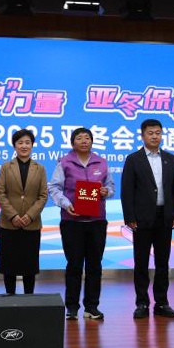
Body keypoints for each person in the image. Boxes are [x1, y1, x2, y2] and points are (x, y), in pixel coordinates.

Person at [120, 118, 174, 319]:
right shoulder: (134, 159)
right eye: (150, 133)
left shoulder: (170, 158)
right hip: (141, 218)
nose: (155, 136)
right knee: (141, 262)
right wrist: (129, 217)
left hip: (165, 217)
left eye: (158, 133)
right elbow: (127, 191)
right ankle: (142, 303)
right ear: (142, 135)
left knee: (163, 262)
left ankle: (162, 302)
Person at [48, 127, 114, 321]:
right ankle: (72, 307)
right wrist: (66, 204)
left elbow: (110, 186)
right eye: (79, 138)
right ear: (72, 142)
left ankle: (92, 307)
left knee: (95, 265)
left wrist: (106, 192)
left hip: (97, 221)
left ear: (92, 141)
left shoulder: (101, 162)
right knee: (74, 265)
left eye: (87, 138)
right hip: (72, 222)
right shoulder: (64, 162)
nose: (84, 141)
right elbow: (54, 187)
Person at [0, 129, 48, 295]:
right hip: (9, 223)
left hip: (31, 224)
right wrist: (13, 215)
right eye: (20, 143)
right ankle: (10, 297)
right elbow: (0, 193)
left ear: (32, 145)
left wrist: (29, 216)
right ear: (14, 146)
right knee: (8, 265)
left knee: (29, 265)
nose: (24, 146)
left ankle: (29, 299)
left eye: (27, 142)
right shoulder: (6, 167)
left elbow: (43, 195)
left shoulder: (40, 168)